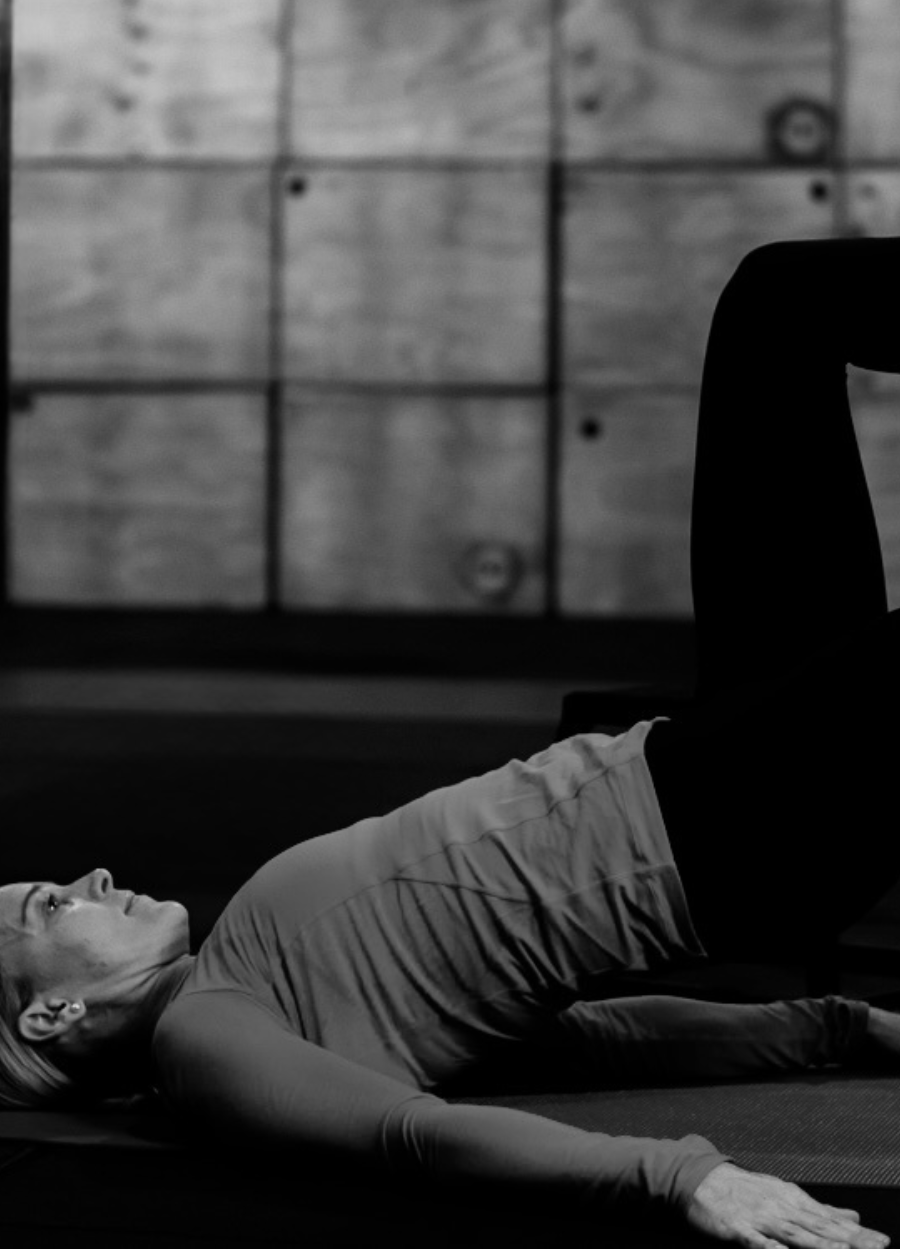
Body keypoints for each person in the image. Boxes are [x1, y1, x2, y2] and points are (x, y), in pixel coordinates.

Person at [0, 238, 898, 1249]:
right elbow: (412, 1133)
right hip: (734, 819)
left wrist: (834, 1027)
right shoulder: (204, 1041)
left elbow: (587, 1039)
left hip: (701, 763)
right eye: (51, 902)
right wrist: (685, 1176)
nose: (93, 871)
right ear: (52, 1016)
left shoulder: (245, 987)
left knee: (780, 298)